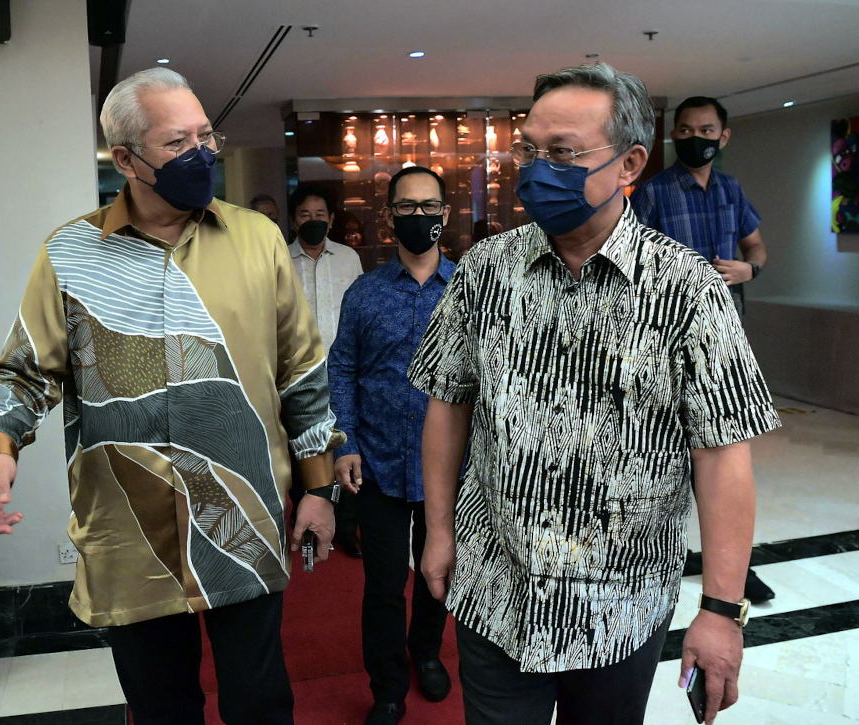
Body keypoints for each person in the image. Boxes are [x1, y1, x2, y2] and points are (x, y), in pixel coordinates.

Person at [0, 67, 341, 725]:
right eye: (178, 141)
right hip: (127, 533)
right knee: (162, 708)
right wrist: (0, 444)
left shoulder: (257, 241)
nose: (202, 152)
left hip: (241, 522)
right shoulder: (70, 254)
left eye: (206, 134)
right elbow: (24, 369)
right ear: (126, 158)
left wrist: (317, 487)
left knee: (260, 702)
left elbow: (301, 370)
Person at [409, 62, 780, 725]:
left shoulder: (687, 290)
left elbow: (723, 456)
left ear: (630, 163)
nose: (534, 169)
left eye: (561, 153)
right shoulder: (485, 271)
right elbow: (447, 403)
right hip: (498, 592)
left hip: (621, 608)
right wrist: (437, 530)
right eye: (528, 149)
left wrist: (722, 610)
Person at [630, 96, 774, 604]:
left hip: (727, 342)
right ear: (674, 137)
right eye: (686, 129)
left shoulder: (732, 190)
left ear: (723, 136)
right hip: (665, 347)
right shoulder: (651, 194)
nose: (697, 138)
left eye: (706, 129)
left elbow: (757, 248)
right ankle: (657, 559)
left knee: (730, 460)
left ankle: (735, 570)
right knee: (678, 462)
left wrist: (747, 269)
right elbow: (632, 266)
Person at [330, 167, 456, 724]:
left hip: (449, 469)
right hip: (378, 463)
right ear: (390, 217)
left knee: (437, 572)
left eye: (429, 206)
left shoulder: (469, 292)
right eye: (406, 207)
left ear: (445, 215)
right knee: (382, 585)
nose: (418, 217)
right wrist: (345, 442)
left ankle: (426, 653)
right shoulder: (364, 293)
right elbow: (342, 369)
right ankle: (387, 686)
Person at [288, 184, 365, 557]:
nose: (313, 221)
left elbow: (360, 313)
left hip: (343, 370)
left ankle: (346, 527)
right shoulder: (280, 258)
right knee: (300, 447)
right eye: (305, 214)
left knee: (343, 449)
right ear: (293, 219)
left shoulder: (349, 258)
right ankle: (302, 522)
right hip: (296, 374)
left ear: (332, 220)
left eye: (320, 215)